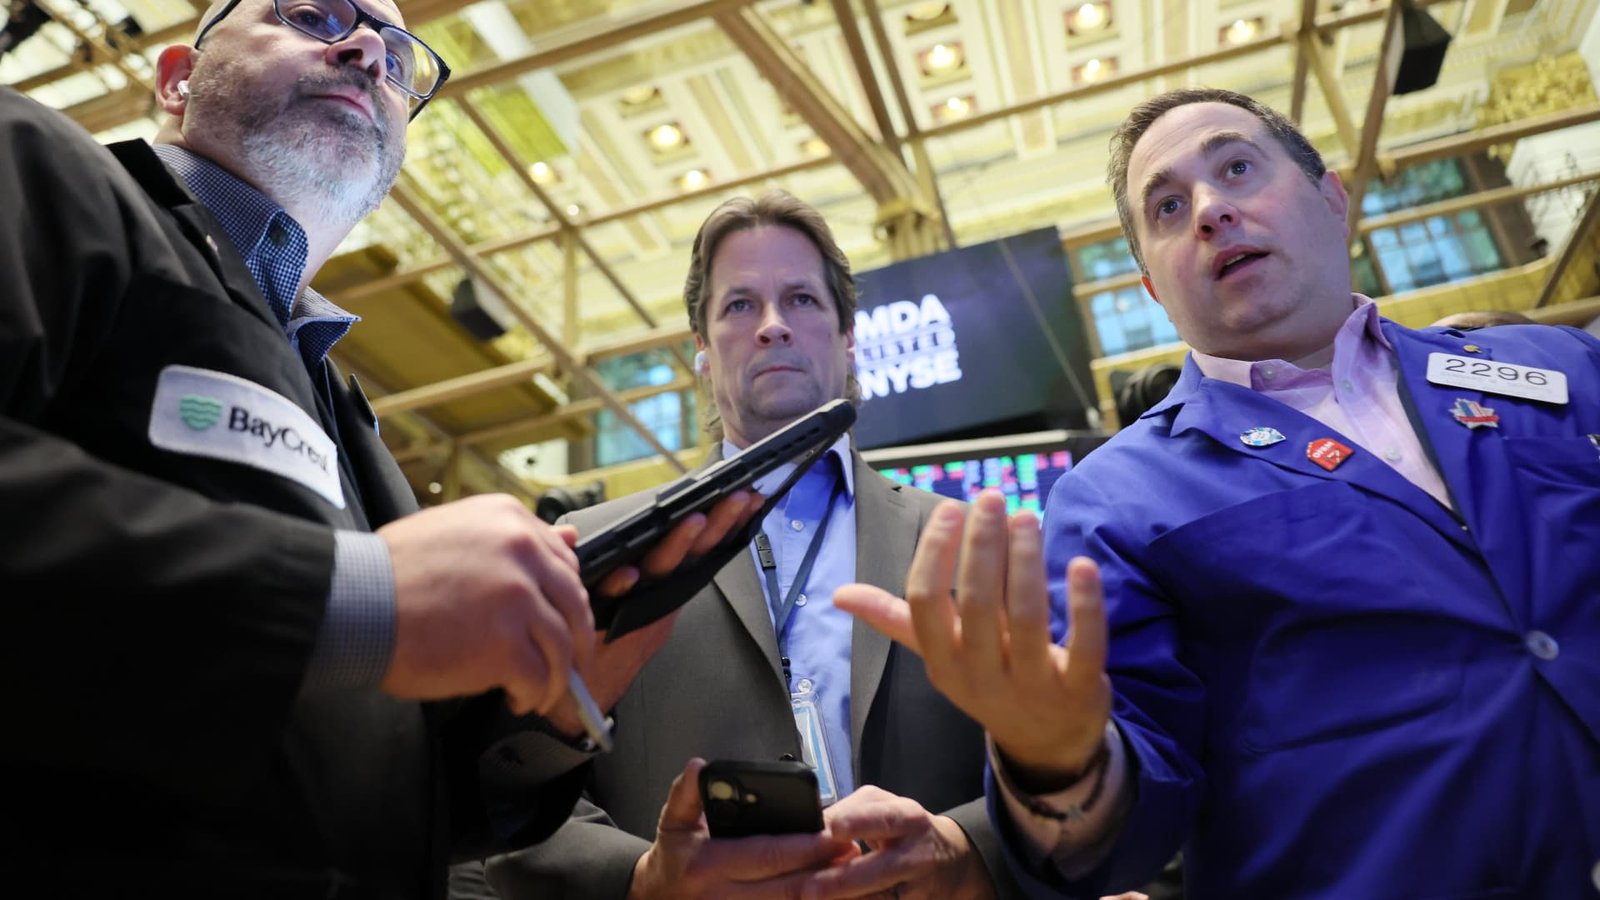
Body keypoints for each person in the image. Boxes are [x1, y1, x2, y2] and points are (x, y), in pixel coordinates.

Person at [0, 0, 753, 894]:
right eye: (310, 14)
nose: (366, 49)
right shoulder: (32, 162)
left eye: (399, 59)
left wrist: (544, 716)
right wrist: (352, 595)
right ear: (178, 78)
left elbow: (396, 802)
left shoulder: (345, 414)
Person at [837, 87, 1600, 898]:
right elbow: (1131, 823)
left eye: (1237, 167)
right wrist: (1059, 760)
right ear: (1154, 290)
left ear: (1331, 197)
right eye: (1167, 207)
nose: (1209, 210)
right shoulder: (1114, 500)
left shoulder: (1556, 366)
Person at [452, 191, 1022, 900]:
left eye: (802, 300)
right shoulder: (596, 552)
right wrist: (643, 879)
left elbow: (1060, 757)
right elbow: (507, 795)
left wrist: (965, 847)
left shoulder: (973, 542)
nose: (773, 325)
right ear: (701, 348)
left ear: (848, 336)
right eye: (740, 305)